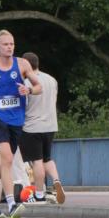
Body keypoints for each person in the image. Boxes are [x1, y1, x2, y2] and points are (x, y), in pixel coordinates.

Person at [0, 29, 42, 218]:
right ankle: (11, 204)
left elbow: (39, 87)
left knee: (5, 163)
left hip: (17, 120)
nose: (9, 47)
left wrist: (28, 90)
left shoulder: (22, 64)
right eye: (6, 44)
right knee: (7, 158)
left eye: (12, 44)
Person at [20, 51, 65, 206]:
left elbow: (23, 106)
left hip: (32, 126)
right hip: (51, 124)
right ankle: (56, 180)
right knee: (47, 158)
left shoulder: (26, 83)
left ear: (26, 65)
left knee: (37, 161)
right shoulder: (52, 80)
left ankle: (39, 194)